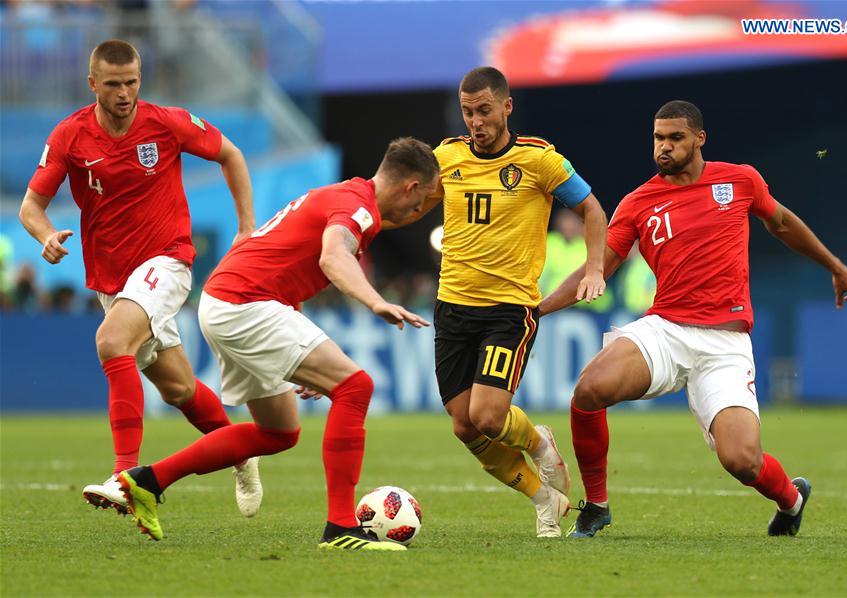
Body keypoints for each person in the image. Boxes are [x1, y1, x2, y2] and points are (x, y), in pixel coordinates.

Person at [540, 100, 847, 539]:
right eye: (658, 138)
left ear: (699, 139)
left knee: (741, 460)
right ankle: (597, 505)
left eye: (675, 138)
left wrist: (836, 267)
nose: (665, 147)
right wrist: (537, 309)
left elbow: (783, 223)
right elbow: (600, 264)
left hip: (724, 345)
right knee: (590, 389)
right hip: (666, 329)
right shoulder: (638, 202)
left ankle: (791, 498)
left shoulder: (740, 180)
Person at [117, 137, 438, 551]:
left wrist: (301, 358)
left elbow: (288, 265)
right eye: (422, 201)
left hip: (228, 301)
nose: (416, 213)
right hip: (244, 304)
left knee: (279, 431)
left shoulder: (345, 193)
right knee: (356, 387)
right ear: (411, 187)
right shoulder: (358, 209)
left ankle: (147, 480)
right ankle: (341, 528)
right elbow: (333, 258)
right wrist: (376, 302)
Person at [18, 39, 261, 518]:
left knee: (111, 343)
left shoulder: (166, 123)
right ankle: (241, 449)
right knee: (178, 389)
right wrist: (45, 235)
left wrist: (247, 228)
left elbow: (230, 155)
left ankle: (125, 475)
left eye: (131, 82)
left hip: (167, 261)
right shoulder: (70, 135)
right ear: (93, 85)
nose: (124, 93)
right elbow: (31, 205)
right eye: (113, 84)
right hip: (115, 281)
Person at [388, 67, 609, 537]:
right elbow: (415, 205)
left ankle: (540, 443)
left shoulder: (539, 161)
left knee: (487, 417)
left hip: (509, 309)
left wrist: (594, 268)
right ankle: (543, 499)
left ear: (507, 107)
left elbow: (592, 208)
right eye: (468, 112)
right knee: (464, 427)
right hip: (452, 307)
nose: (476, 121)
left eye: (485, 110)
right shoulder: (446, 157)